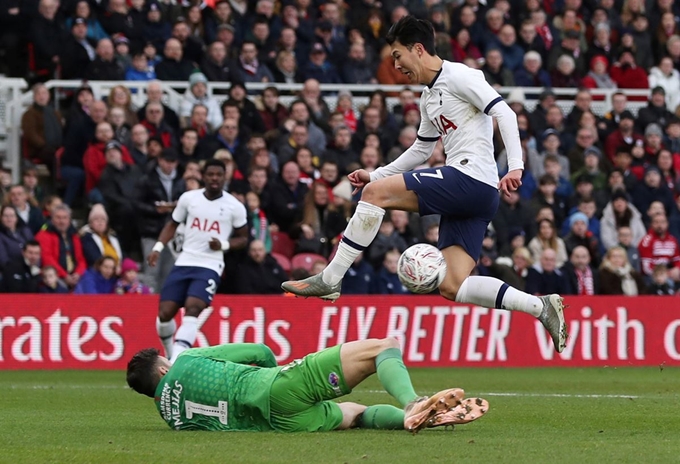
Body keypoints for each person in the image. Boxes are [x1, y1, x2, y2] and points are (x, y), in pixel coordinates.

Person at [282, 16, 567, 353]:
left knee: (375, 197)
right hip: (477, 196)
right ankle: (542, 307)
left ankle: (330, 279)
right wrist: (376, 174)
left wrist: (516, 166)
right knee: (452, 285)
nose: (396, 64)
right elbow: (421, 149)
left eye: (398, 55)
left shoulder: (461, 75)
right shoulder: (428, 98)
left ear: (418, 49)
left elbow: (503, 112)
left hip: (469, 177)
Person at [126, 338, 489, 432]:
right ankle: (413, 404)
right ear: (162, 371)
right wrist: (278, 372)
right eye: (166, 362)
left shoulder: (170, 417)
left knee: (356, 414)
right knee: (384, 346)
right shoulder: (186, 361)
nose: (171, 363)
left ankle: (413, 420)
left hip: (278, 425)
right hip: (276, 387)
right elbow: (259, 351)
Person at [149, 159, 249, 363]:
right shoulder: (189, 199)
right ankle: (170, 352)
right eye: (210, 174)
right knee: (165, 313)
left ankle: (175, 360)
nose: (214, 178)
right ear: (203, 176)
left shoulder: (234, 206)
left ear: (224, 177)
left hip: (210, 265)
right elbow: (172, 224)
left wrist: (224, 245)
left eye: (218, 175)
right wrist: (158, 247)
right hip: (185, 261)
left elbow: (244, 238)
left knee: (193, 307)